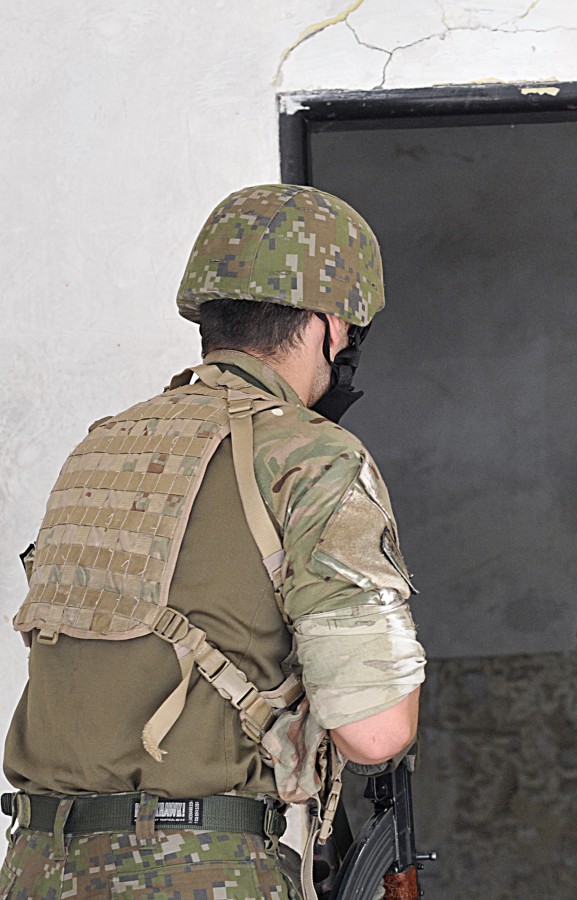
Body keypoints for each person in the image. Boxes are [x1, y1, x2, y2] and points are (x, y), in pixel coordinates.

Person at [1, 184, 425, 900]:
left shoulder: (102, 446)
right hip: (194, 871)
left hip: (37, 865)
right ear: (331, 325)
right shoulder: (311, 455)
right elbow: (374, 733)